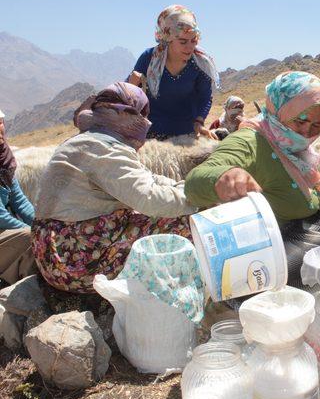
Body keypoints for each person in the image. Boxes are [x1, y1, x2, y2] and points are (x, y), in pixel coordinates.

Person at [185, 71, 320, 286]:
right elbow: (195, 181)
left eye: (317, 125)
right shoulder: (250, 142)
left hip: (308, 250)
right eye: (300, 121)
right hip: (270, 272)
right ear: (280, 111)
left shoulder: (298, 153)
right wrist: (223, 177)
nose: (306, 132)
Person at [31, 83, 197, 293]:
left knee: (147, 213)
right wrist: (199, 198)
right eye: (142, 113)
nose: (145, 121)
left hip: (53, 249)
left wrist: (189, 186)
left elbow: (146, 179)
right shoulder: (105, 148)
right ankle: (176, 291)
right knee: (182, 222)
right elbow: (150, 199)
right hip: (72, 261)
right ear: (130, 114)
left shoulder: (90, 140)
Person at [128, 5, 220, 141]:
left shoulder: (201, 64)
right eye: (183, 41)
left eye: (194, 40)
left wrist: (199, 123)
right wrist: (131, 84)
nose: (190, 47)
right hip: (150, 137)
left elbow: (205, 97)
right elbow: (127, 93)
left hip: (186, 136)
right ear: (167, 38)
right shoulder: (149, 58)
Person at [0, 109, 36, 285]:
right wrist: (37, 233)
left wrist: (42, 223)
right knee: (28, 238)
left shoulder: (3, 160)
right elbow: (1, 217)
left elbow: (20, 202)